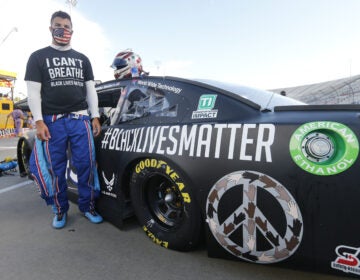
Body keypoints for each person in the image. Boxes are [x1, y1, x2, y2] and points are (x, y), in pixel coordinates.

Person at [24, 10, 103, 229]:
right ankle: (60, 209)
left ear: (72, 30)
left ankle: (87, 207)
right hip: (52, 122)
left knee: (86, 164)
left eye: (66, 26)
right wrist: (39, 121)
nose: (62, 29)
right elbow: (33, 92)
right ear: (50, 28)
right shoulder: (38, 57)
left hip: (80, 120)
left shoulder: (82, 59)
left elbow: (91, 91)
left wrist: (94, 116)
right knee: (56, 168)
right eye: (58, 25)